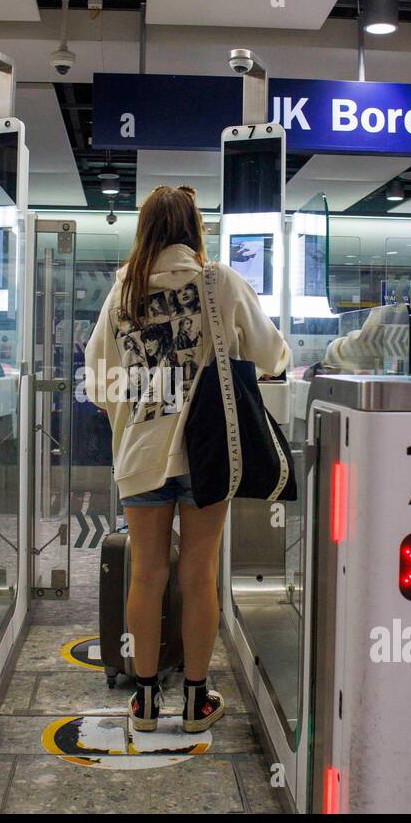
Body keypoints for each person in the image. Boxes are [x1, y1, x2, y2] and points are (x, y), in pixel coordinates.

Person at [86, 185, 289, 733]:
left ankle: (146, 700)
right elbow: (272, 354)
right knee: (199, 576)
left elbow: (98, 378)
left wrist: (131, 411)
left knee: (146, 575)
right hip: (209, 455)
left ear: (145, 229)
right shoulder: (220, 282)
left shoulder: (122, 291)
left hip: (141, 454)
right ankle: (197, 701)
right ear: (194, 228)